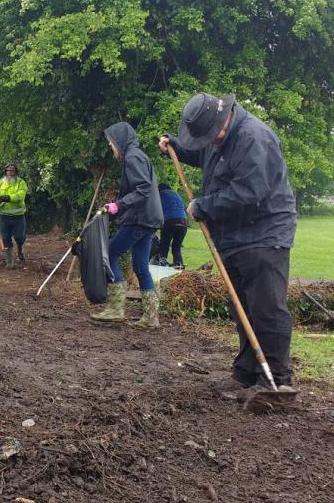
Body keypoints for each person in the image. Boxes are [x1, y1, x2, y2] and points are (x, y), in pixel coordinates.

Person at [159, 92, 297, 394]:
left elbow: (249, 192)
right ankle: (247, 373)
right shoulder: (220, 137)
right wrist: (176, 148)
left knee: (266, 308)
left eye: (211, 134)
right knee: (242, 307)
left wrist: (203, 207)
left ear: (225, 118)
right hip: (234, 236)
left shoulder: (254, 139)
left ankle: (277, 380)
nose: (210, 139)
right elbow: (204, 154)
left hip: (264, 234)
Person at [91, 122, 164, 328]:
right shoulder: (137, 155)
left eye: (111, 143)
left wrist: (118, 205)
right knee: (140, 266)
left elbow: (143, 189)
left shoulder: (133, 157)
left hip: (139, 218)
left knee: (111, 254)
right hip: (148, 218)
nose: (110, 146)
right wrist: (117, 206)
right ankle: (151, 318)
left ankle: (116, 309)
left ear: (119, 141)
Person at [0, 162, 28, 268]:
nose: (10, 173)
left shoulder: (21, 183)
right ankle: (9, 262)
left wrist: (6, 198)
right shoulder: (0, 183)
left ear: (16, 172)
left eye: (12, 170)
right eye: (8, 170)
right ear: (5, 172)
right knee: (5, 239)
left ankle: (20, 250)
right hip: (4, 217)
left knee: (19, 237)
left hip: (18, 216)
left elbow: (20, 196)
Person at [152, 182, 188, 269]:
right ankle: (178, 264)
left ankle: (162, 261)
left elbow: (156, 212)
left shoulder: (160, 196)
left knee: (164, 244)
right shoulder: (177, 194)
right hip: (183, 222)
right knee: (176, 247)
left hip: (170, 221)